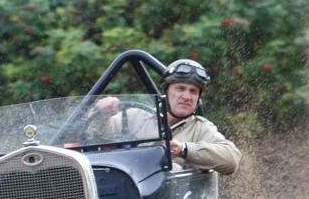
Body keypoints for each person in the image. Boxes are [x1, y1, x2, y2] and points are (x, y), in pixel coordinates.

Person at [95, 58, 241, 175]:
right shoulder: (135, 117)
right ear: (166, 91)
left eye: (193, 91)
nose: (186, 96)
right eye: (180, 89)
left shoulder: (200, 128)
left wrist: (184, 150)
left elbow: (232, 160)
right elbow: (93, 135)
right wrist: (102, 114)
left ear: (198, 98)